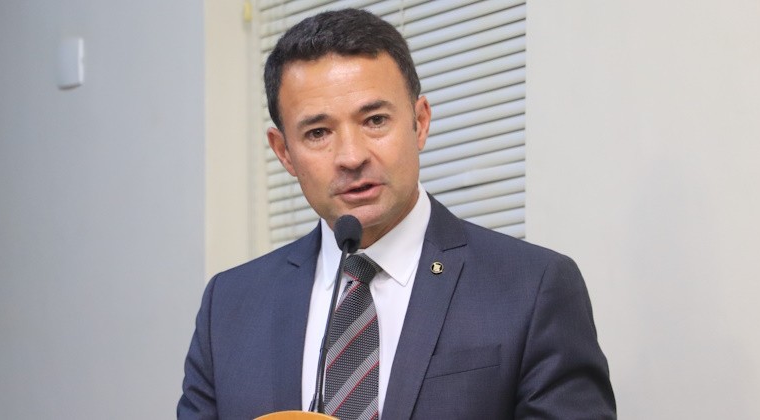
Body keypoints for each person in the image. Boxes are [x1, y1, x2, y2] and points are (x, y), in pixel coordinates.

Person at [178, 8, 616, 420]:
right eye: (318, 132)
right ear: (284, 153)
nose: (351, 156)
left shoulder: (532, 288)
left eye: (374, 121)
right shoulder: (229, 306)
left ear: (419, 122)